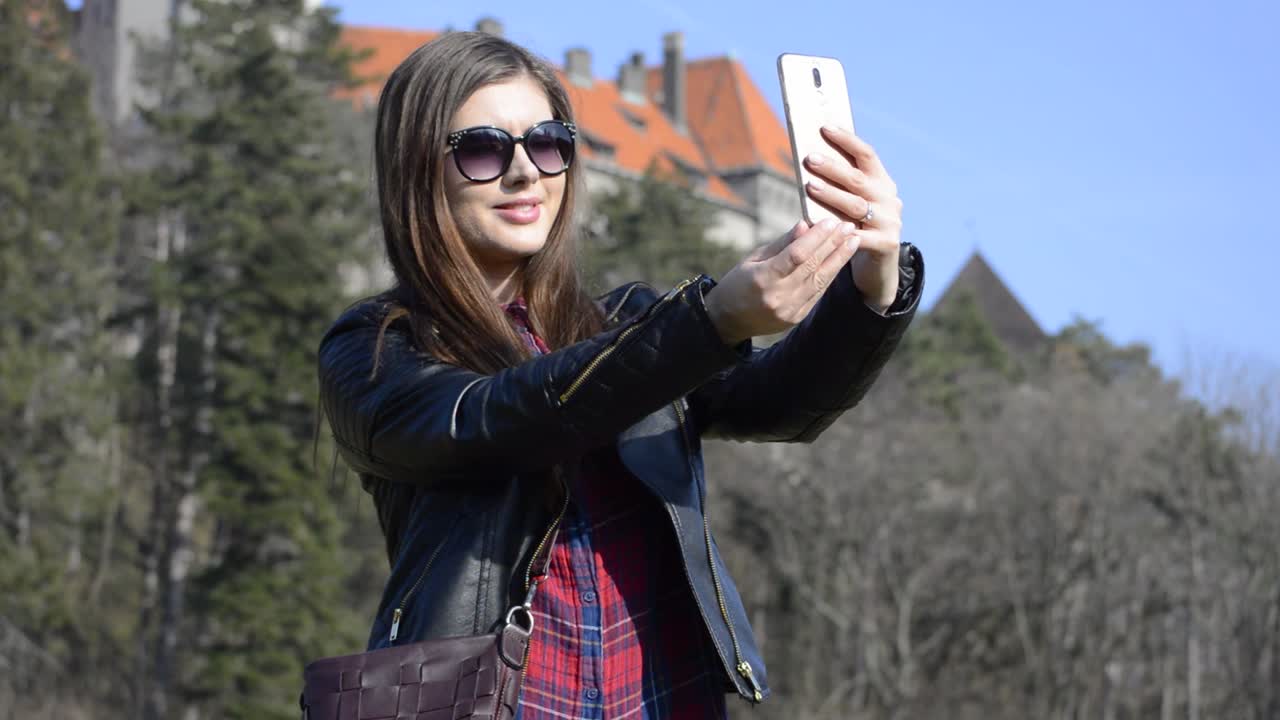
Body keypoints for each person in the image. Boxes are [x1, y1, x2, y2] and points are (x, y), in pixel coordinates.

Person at [317, 30, 923, 719]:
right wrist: (709, 322)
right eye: (483, 149)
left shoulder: (626, 324)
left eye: (548, 143)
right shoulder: (375, 347)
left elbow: (780, 402)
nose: (526, 172)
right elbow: (494, 421)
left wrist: (872, 282)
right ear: (415, 167)